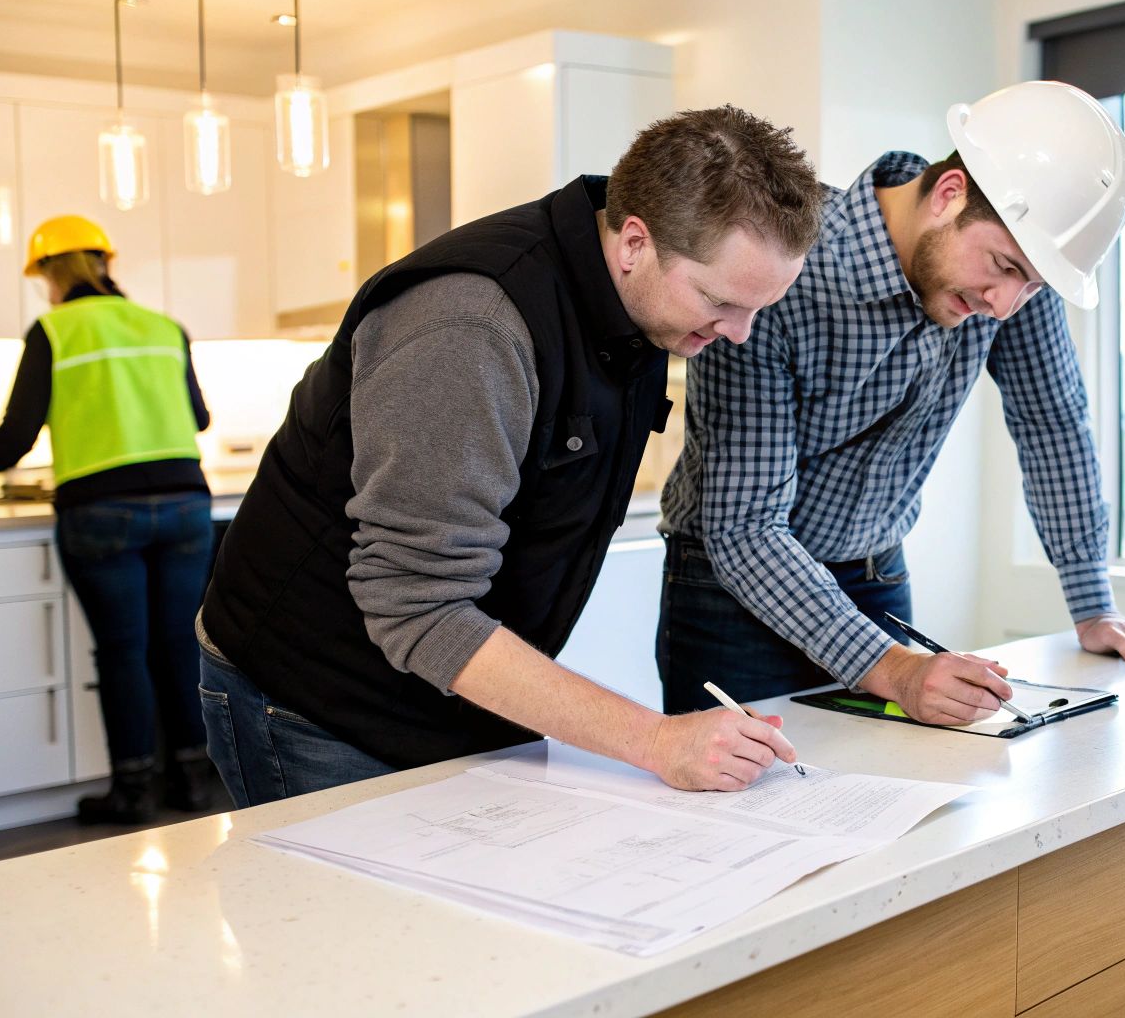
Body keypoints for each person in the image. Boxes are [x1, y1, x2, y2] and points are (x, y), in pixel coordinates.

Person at [197, 106, 828, 805]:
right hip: (317, 700)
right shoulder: (472, 326)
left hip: (450, 693)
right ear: (635, 243)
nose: (740, 335)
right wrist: (656, 740)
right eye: (720, 301)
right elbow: (417, 606)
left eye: (759, 309)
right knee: (356, 918)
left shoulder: (644, 307)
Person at [658, 82, 1125, 723]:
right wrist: (894, 668)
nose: (1005, 306)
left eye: (1030, 285)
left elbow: (1052, 421)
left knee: (892, 799)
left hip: (876, 572)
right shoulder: (783, 267)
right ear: (949, 196)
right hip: (733, 586)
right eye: (1004, 268)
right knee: (743, 806)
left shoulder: (1008, 281)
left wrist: (1094, 605)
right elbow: (744, 525)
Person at [0, 215, 218, 823]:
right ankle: (196, 783)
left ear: (47, 272)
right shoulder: (163, 326)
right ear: (104, 263)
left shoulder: (53, 330)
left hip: (101, 513)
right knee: (178, 646)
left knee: (123, 651)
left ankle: (133, 790)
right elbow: (199, 418)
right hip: (184, 507)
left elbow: (18, 431)